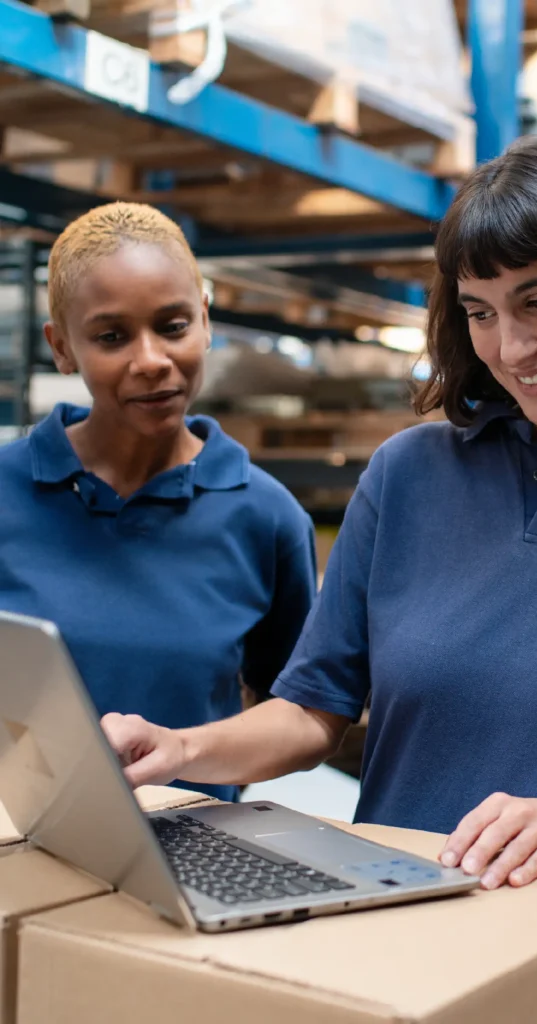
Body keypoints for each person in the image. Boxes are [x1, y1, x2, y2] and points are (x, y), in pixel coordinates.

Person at [102, 137, 537, 890]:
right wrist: (179, 750)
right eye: (481, 312)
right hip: (378, 909)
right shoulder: (407, 474)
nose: (511, 348)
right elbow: (313, 711)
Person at [0, 202, 317, 801]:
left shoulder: (266, 518)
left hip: (189, 841)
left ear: (205, 319)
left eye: (173, 326)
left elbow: (301, 716)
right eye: (111, 337)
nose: (151, 361)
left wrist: (190, 753)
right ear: (61, 347)